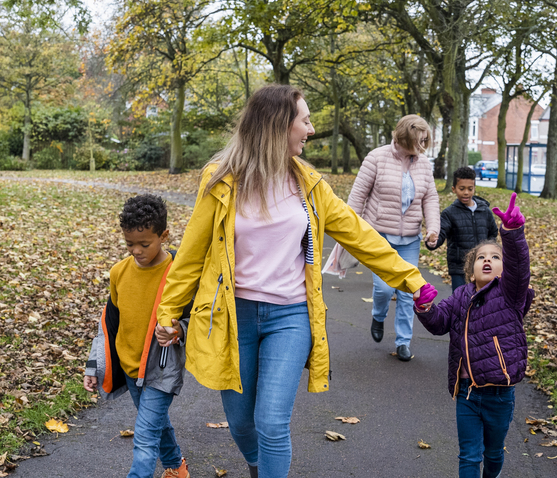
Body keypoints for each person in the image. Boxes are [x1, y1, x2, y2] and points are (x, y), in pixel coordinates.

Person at [154, 85, 438, 478]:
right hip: (232, 317)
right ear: (276, 126)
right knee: (241, 424)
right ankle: (258, 467)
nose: (311, 128)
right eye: (304, 120)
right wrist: (169, 313)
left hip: (290, 316)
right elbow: (190, 255)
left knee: (272, 422)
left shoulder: (309, 183)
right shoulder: (220, 180)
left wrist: (411, 279)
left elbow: (360, 235)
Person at [415, 193, 533, 478]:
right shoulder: (460, 296)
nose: (488, 260)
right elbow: (439, 323)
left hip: (500, 394)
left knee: (493, 453)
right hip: (467, 393)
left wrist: (512, 235)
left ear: (504, 269)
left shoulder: (510, 295)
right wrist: (424, 307)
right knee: (468, 455)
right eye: (481, 257)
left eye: (495, 257)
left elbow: (520, 267)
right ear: (471, 270)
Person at [84, 194, 191, 478]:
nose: (136, 251)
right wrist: (93, 365)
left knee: (144, 437)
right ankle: (176, 467)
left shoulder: (178, 275)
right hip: (131, 368)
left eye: (144, 244)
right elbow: (108, 323)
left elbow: (197, 318)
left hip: (162, 370)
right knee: (156, 423)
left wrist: (179, 330)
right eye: (129, 244)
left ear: (164, 235)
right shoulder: (119, 272)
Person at [346, 115, 441, 361]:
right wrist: (349, 230)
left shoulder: (423, 163)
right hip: (379, 237)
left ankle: (403, 342)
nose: (422, 147)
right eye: (418, 142)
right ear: (403, 138)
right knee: (384, 289)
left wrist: (433, 227)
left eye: (424, 141)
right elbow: (357, 197)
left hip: (410, 238)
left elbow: (430, 197)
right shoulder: (376, 158)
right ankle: (378, 315)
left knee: (410, 292)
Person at [426, 167, 499, 291]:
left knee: (483, 303)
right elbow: (441, 233)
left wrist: (490, 253)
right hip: (459, 268)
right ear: (454, 189)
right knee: (461, 302)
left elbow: (493, 233)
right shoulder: (449, 213)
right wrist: (432, 241)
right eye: (462, 189)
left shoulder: (484, 211)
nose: (466, 192)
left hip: (482, 267)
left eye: (470, 189)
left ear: (474, 188)